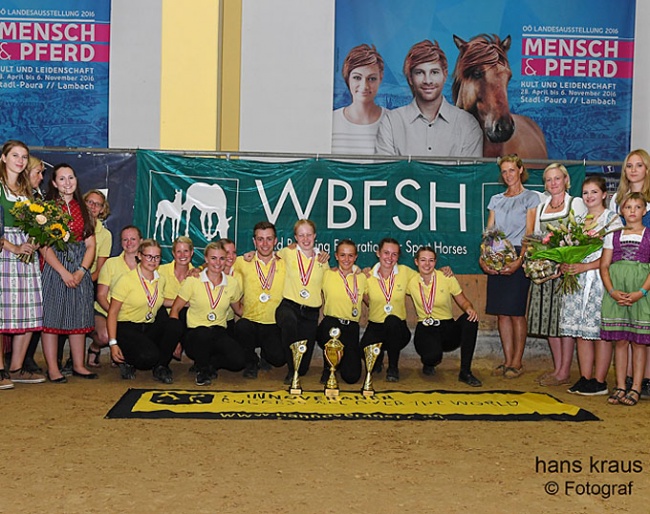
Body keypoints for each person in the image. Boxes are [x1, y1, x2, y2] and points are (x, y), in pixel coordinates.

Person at [479, 154, 539, 378]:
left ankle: (517, 361)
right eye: (504, 171)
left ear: (521, 170)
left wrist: (519, 260)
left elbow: (530, 234)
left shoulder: (531, 198)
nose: (507, 175)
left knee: (515, 312)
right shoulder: (496, 199)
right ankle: (506, 360)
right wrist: (484, 257)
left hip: (518, 254)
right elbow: (489, 232)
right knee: (502, 313)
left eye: (511, 170)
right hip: (497, 253)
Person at [561, 177, 621, 396]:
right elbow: (566, 247)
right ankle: (585, 377)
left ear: (604, 194)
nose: (589, 197)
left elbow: (613, 256)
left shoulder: (612, 220)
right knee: (581, 332)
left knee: (599, 333)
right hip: (577, 281)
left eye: (594, 192)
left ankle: (600, 380)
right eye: (585, 193)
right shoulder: (577, 220)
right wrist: (566, 262)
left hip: (599, 281)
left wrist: (585, 266)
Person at [528, 163, 587, 387]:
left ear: (565, 180)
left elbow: (581, 240)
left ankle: (564, 371)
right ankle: (557, 369)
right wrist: (537, 264)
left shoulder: (576, 203)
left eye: (557, 178)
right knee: (550, 322)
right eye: (549, 180)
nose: (553, 183)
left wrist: (565, 263)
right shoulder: (541, 207)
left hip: (565, 274)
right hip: (546, 274)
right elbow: (535, 238)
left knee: (565, 323)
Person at [375, 39, 482, 157]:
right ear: (410, 78)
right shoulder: (391, 122)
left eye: (434, 72)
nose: (428, 81)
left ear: (445, 75)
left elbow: (470, 174)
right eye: (419, 73)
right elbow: (385, 173)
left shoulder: (468, 124)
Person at [40, 163, 97, 382]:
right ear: (54, 183)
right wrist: (64, 272)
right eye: (62, 179)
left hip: (80, 267)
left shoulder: (84, 208)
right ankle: (53, 368)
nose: (67, 182)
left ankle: (79, 365)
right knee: (52, 319)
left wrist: (82, 271)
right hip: (55, 269)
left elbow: (91, 244)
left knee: (78, 316)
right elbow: (44, 247)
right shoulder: (47, 210)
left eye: (71, 177)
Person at [168, 241, 245, 386]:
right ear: (206, 259)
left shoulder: (232, 283)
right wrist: (175, 340)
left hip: (218, 331)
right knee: (203, 334)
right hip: (195, 334)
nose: (218, 262)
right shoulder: (193, 280)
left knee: (239, 361)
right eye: (213, 258)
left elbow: (239, 310)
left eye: (222, 258)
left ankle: (209, 365)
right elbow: (175, 309)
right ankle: (202, 372)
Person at [0, 140, 45, 386]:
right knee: (1, 311)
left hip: (26, 254)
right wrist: (14, 246)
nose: (20, 160)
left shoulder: (29, 192)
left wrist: (35, 241)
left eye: (24, 156)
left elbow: (38, 224)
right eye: (15, 155)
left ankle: (17, 366)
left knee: (29, 309)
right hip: (4, 250)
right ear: (4, 158)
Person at [600, 193, 650, 406]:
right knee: (620, 341)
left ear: (644, 211)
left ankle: (636, 387)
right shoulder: (613, 235)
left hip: (640, 293)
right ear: (621, 210)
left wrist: (641, 292)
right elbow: (604, 265)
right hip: (617, 292)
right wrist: (612, 291)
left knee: (639, 343)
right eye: (627, 207)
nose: (632, 211)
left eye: (637, 207)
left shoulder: (649, 235)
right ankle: (620, 385)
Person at [407, 247, 481, 386]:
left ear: (435, 262)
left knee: (470, 319)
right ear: (416, 262)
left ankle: (465, 372)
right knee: (432, 357)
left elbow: (463, 301)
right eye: (423, 260)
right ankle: (429, 363)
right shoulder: (410, 281)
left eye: (431, 260)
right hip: (425, 327)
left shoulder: (446, 277)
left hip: (447, 327)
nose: (427, 264)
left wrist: (469, 308)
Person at [609, 149, 650, 398]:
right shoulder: (618, 199)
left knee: (645, 330)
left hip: (646, 268)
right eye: (629, 166)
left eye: (639, 165)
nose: (633, 170)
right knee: (628, 331)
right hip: (624, 270)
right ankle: (629, 381)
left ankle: (645, 380)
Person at [107, 239, 177, 384]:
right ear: (139, 255)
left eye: (157, 257)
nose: (153, 261)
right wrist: (113, 343)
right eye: (148, 256)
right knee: (148, 358)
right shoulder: (126, 280)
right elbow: (112, 312)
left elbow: (159, 300)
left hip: (148, 325)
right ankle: (127, 361)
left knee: (174, 325)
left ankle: (161, 367)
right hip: (127, 326)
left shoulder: (161, 279)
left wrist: (186, 301)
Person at [275, 219, 328, 382]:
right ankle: (291, 371)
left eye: (309, 235)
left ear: (315, 236)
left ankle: (298, 368)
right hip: (289, 306)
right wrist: (250, 255)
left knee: (303, 368)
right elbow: (268, 256)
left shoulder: (322, 260)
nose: (305, 239)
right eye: (301, 235)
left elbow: (327, 286)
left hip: (310, 313)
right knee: (289, 322)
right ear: (295, 238)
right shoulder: (287, 252)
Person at [233, 222, 286, 379]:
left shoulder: (285, 263)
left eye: (269, 239)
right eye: (260, 239)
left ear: (276, 241)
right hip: (251, 321)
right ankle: (251, 361)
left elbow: (307, 256)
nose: (264, 244)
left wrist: (355, 270)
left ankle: (265, 355)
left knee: (279, 360)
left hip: (273, 323)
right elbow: (215, 262)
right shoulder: (242, 261)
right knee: (241, 327)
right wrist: (198, 269)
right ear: (254, 241)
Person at [361, 238, 417, 382]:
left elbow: (427, 275)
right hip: (375, 326)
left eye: (394, 254)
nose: (390, 258)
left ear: (398, 256)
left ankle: (393, 367)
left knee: (391, 321)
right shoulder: (367, 275)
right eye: (386, 253)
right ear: (378, 253)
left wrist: (443, 271)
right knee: (363, 351)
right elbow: (366, 299)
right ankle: (377, 358)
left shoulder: (405, 272)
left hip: (398, 329)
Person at [89, 225, 143, 368]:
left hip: (134, 314)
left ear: (141, 241)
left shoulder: (147, 265)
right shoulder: (111, 264)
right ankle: (95, 346)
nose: (129, 243)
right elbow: (101, 296)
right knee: (104, 336)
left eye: (133, 239)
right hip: (105, 311)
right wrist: (117, 315)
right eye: (125, 239)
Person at [316, 239, 367, 385]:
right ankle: (328, 367)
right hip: (331, 324)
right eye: (343, 255)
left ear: (356, 257)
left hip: (351, 327)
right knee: (329, 327)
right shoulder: (327, 274)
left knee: (352, 377)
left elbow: (371, 299)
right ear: (336, 256)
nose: (346, 259)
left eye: (350, 256)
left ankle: (340, 360)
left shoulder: (362, 278)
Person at [332, 44, 386, 155]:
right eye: (357, 77)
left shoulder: (393, 122)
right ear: (347, 78)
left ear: (380, 78)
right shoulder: (331, 121)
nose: (364, 86)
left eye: (371, 79)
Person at [22, 156, 47, 374]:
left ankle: (27, 356)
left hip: (37, 261)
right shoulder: (17, 198)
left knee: (36, 310)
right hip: (17, 257)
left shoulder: (39, 197)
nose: (41, 177)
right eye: (37, 173)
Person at [159, 236, 196, 361]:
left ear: (192, 253)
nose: (182, 255)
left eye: (186, 251)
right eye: (178, 251)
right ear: (173, 253)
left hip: (186, 322)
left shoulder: (198, 275)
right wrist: (184, 303)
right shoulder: (160, 271)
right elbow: (156, 300)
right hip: (164, 320)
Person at [84, 189, 112, 282]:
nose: (93, 206)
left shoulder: (105, 235)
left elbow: (99, 270)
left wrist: (83, 284)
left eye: (98, 204)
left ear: (102, 209)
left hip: (87, 282)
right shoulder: (71, 224)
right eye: (90, 202)